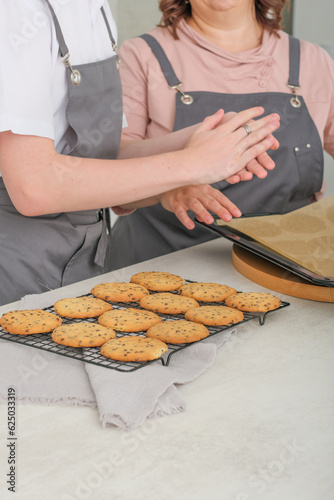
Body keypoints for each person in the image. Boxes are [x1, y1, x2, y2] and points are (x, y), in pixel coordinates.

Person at [0, 0, 280, 305]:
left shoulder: (97, 10)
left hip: (83, 263)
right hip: (17, 269)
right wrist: (191, 164)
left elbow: (106, 166)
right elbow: (34, 187)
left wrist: (203, 139)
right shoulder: (17, 12)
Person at [109, 0, 334, 270]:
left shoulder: (312, 60)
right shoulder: (142, 55)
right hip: (157, 269)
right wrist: (168, 185)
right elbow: (112, 175)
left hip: (290, 270)